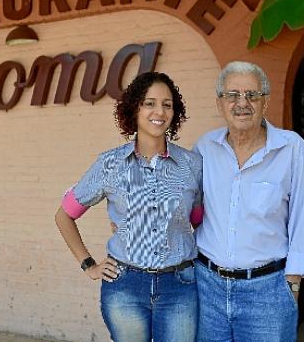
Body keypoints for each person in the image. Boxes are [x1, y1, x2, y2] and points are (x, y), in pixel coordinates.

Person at [55, 72, 203, 342]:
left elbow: (198, 221)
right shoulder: (110, 164)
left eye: (167, 104)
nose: (159, 111)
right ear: (134, 108)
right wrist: (88, 264)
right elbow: (64, 215)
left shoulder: (191, 165)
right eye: (150, 103)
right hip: (125, 287)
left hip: (180, 287)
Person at [193, 61, 304, 342]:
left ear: (265, 102)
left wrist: (294, 283)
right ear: (220, 104)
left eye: (252, 95)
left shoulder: (291, 147)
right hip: (207, 287)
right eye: (233, 95)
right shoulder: (205, 148)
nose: (242, 103)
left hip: (268, 291)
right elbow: (188, 207)